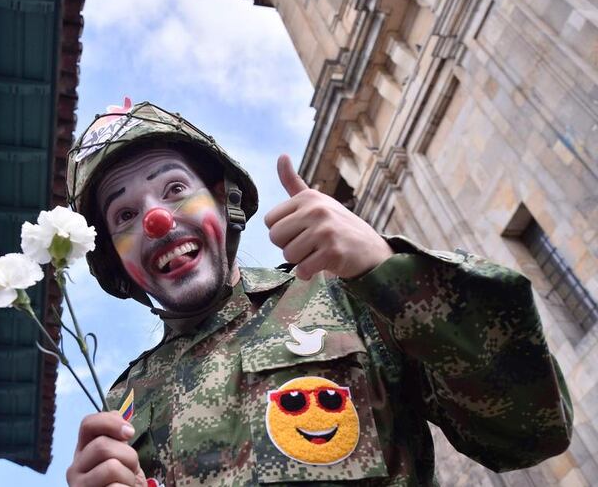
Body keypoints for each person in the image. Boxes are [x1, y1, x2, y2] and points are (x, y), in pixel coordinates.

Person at [64, 100, 572, 486]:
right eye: (124, 215)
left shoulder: (347, 300)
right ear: (116, 260)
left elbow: (529, 428)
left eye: (174, 189)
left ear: (223, 201)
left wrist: (385, 267)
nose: (157, 220)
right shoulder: (124, 405)